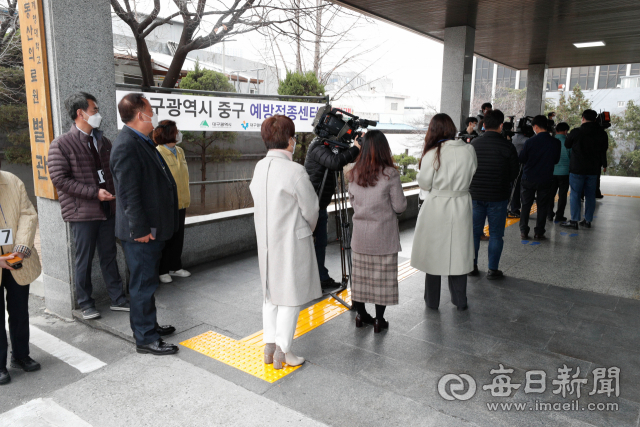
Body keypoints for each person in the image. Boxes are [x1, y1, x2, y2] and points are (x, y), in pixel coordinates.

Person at [48, 92, 128, 320]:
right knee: (83, 258)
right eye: (94, 110)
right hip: (82, 212)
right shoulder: (61, 144)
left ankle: (118, 299)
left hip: (107, 210)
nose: (98, 115)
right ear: (80, 113)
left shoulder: (103, 142)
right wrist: (95, 193)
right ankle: (85, 303)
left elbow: (112, 173)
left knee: (109, 255)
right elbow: (60, 180)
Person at [250, 115, 321, 369]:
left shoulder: (260, 167)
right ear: (290, 140)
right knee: (290, 298)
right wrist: (307, 231)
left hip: (266, 243)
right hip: (291, 242)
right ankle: (284, 351)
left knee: (270, 295)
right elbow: (311, 209)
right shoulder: (294, 170)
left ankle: (269, 347)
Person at [111, 93, 179, 356]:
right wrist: (139, 230)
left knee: (147, 281)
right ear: (140, 115)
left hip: (152, 228)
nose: (154, 115)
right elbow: (128, 194)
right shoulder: (127, 145)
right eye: (151, 111)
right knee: (141, 284)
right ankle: (145, 338)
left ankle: (149, 326)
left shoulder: (141, 141)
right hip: (141, 232)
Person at [411, 114, 477, 311]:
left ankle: (432, 302)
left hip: (437, 206)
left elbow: (423, 183)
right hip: (461, 204)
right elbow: (473, 172)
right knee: (459, 254)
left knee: (434, 255)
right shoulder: (469, 149)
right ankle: (460, 300)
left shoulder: (433, 153)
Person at [347, 130, 407, 333]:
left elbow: (353, 203)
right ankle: (379, 320)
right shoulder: (390, 174)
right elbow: (399, 206)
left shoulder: (353, 174)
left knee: (361, 279)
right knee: (382, 280)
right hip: (383, 237)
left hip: (360, 237)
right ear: (384, 148)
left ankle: (360, 315)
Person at [0, 163, 42, 385]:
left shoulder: (12, 181)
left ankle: (20, 355)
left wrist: (22, 247)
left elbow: (27, 213)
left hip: (17, 260)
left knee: (19, 311)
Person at [304, 130, 360, 293]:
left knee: (320, 243)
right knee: (313, 244)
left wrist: (354, 148)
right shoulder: (318, 146)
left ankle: (321, 278)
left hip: (319, 204)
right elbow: (335, 163)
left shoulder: (330, 147)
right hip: (310, 204)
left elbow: (347, 158)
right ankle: (313, 279)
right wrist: (355, 148)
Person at [469, 110, 519, 279]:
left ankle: (472, 266)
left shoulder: (474, 144)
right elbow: (514, 173)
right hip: (498, 196)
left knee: (474, 233)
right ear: (501, 125)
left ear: (483, 125)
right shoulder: (507, 146)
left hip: (475, 195)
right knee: (496, 234)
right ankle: (492, 270)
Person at [153, 120, 191, 284]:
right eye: (177, 131)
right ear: (169, 133)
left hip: (181, 202)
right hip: (166, 204)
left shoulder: (180, 151)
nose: (179, 133)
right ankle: (162, 270)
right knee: (166, 237)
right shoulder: (157, 153)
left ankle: (175, 266)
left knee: (178, 236)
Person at [560, 109, 609, 229]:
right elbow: (604, 149)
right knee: (590, 195)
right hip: (593, 170)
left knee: (575, 194)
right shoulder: (602, 133)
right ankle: (587, 221)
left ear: (583, 118)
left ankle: (574, 220)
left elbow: (567, 144)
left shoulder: (576, 132)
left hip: (577, 169)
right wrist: (604, 164)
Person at [518, 115, 561, 240]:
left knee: (526, 205)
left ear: (535, 127)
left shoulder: (529, 142)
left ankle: (524, 231)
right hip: (546, 178)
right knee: (542, 206)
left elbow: (522, 159)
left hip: (528, 178)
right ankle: (539, 232)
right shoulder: (556, 143)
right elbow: (556, 160)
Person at [547, 122, 571, 222]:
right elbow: (571, 157)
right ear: (566, 131)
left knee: (550, 194)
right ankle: (559, 215)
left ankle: (549, 214)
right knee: (562, 196)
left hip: (552, 172)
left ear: (556, 131)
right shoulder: (569, 142)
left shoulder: (550, 141)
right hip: (565, 172)